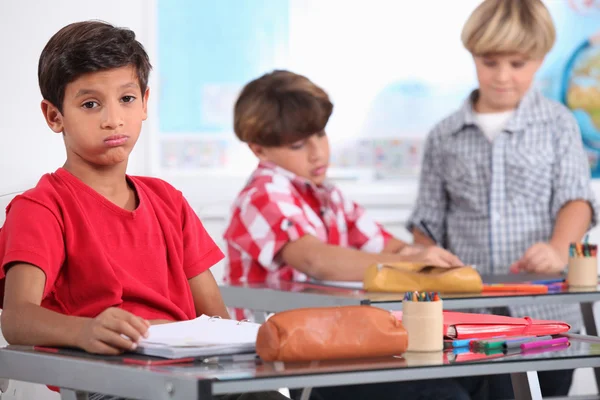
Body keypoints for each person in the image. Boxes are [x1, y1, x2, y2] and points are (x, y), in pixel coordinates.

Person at [0, 20, 285, 400]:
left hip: (191, 375)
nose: (113, 119)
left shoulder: (169, 201)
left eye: (127, 99)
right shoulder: (40, 208)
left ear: (145, 103)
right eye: (90, 104)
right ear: (54, 116)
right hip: (111, 383)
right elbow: (17, 319)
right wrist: (84, 331)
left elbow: (215, 316)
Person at [223, 69, 469, 400]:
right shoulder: (262, 194)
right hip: (285, 359)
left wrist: (414, 255)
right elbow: (316, 260)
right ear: (258, 149)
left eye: (320, 135)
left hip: (332, 348)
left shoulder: (327, 196)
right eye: (298, 144)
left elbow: (389, 246)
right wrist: (411, 263)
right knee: (442, 393)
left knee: (481, 379)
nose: (317, 153)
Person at [408, 0, 599, 397]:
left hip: (543, 317)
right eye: (490, 62)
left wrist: (557, 248)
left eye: (518, 64)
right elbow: (426, 224)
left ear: (540, 59)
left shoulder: (558, 124)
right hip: (465, 322)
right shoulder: (444, 135)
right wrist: (428, 257)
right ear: (473, 55)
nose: (502, 76)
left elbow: (576, 199)